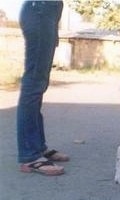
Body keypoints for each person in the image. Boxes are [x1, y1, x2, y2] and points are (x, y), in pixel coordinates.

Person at [17, 0, 69, 176]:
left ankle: (37, 147)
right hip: (40, 9)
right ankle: (29, 157)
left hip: (47, 10)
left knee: (39, 84)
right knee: (34, 83)